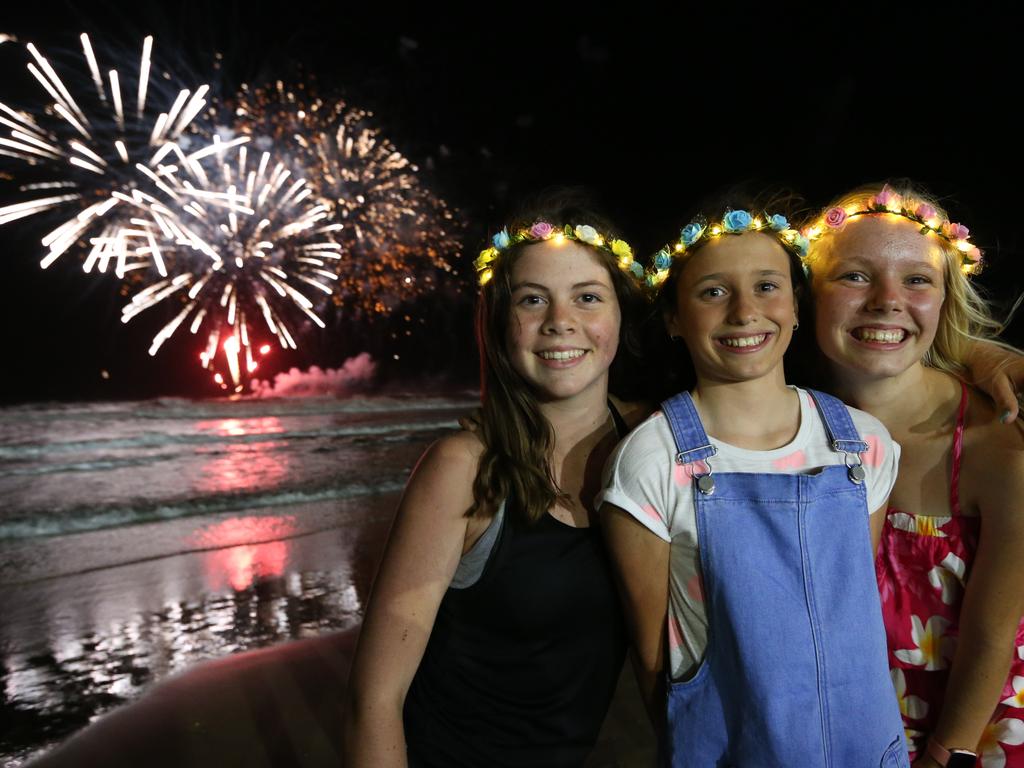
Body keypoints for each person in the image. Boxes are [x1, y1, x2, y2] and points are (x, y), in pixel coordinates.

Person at [343, 191, 649, 767]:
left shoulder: (657, 440)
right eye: (533, 300)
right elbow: (374, 700)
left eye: (587, 297)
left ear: (620, 315)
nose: (561, 322)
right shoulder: (464, 468)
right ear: (501, 323)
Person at [600, 201, 909, 766]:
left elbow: (852, 606)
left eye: (767, 286)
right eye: (713, 292)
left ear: (796, 306)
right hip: (733, 745)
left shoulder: (862, 443)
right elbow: (653, 659)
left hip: (867, 742)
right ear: (673, 318)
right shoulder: (650, 459)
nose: (745, 312)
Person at [804, 182, 1024, 768]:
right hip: (829, 733)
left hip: (964, 735)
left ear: (947, 299)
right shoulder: (785, 426)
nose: (886, 300)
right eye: (854, 276)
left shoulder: (997, 448)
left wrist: (943, 754)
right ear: (807, 296)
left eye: (918, 279)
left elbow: (991, 638)